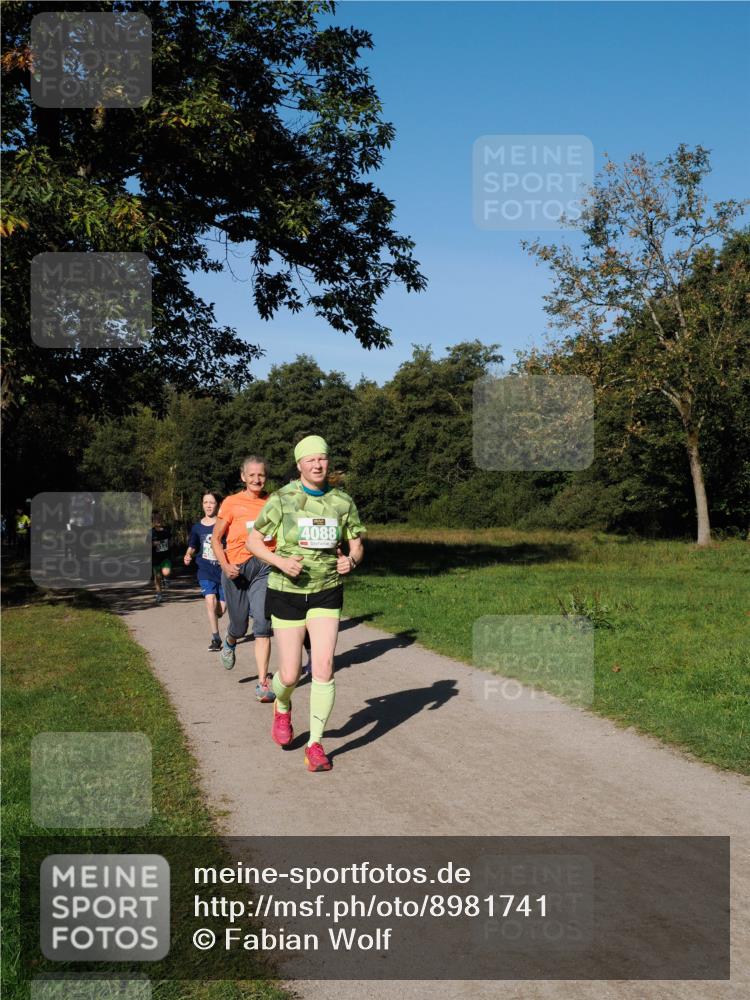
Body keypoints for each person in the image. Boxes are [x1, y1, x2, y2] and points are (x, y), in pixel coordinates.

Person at [246, 435, 365, 772]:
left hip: (327, 590)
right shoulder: (282, 499)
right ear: (299, 465)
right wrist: (280, 562)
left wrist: (351, 561)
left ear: (328, 463)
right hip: (287, 590)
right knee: (290, 672)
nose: (317, 464)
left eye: (322, 459)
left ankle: (315, 744)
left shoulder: (342, 501)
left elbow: (356, 544)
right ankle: (282, 706)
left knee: (324, 667)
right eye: (310, 459)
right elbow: (254, 540)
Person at [211, 456, 276, 702]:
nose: (257, 479)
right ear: (243, 477)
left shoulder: (273, 502)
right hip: (235, 570)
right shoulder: (231, 503)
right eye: (252, 475)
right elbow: (216, 539)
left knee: (262, 622)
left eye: (261, 475)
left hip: (264, 568)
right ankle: (230, 640)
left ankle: (262, 683)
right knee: (239, 626)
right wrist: (225, 565)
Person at [184, 492, 227, 651]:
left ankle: (217, 611)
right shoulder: (197, 527)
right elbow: (193, 545)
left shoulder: (224, 524)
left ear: (218, 505)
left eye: (212, 502)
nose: (208, 505)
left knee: (220, 610)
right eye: (205, 502)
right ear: (202, 505)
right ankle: (216, 638)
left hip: (223, 571)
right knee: (210, 600)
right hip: (205, 569)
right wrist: (188, 554)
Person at [151, 511, 172, 604]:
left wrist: (170, 543)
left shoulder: (167, 530)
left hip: (166, 556)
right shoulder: (151, 532)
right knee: (158, 577)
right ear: (153, 521)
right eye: (156, 519)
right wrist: (153, 544)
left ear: (162, 520)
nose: (158, 520)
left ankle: (166, 578)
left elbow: (171, 540)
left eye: (159, 518)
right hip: (155, 558)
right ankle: (159, 594)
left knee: (166, 572)